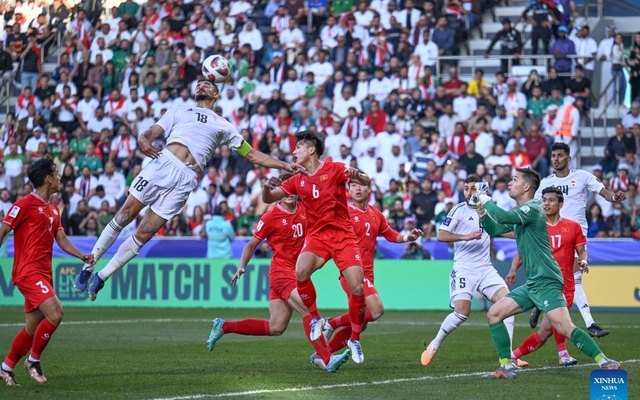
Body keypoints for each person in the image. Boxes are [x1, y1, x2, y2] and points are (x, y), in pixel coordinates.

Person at [74, 80, 304, 300]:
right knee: (124, 215)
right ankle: (89, 265)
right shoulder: (179, 110)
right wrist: (142, 139)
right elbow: (151, 133)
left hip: (186, 179)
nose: (201, 85)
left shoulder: (223, 125)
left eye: (208, 84)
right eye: (199, 84)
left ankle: (102, 276)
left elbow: (251, 154)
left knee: (144, 233)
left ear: (216, 94)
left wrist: (284, 164)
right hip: (162, 164)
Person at [468, 168, 621, 379]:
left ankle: (605, 362)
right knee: (494, 314)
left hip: (547, 281)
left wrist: (484, 198)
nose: (509, 184)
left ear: (527, 186)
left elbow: (502, 215)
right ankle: (506, 367)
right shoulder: (523, 212)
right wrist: (480, 210)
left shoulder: (532, 207)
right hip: (533, 282)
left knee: (565, 327)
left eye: (514, 180)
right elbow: (495, 229)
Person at [207, 183, 351, 372]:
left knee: (276, 327)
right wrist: (242, 266)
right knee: (308, 311)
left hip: (296, 273)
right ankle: (326, 358)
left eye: (292, 191)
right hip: (281, 273)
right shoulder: (270, 217)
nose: (290, 194)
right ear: (279, 196)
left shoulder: (305, 209)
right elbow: (251, 245)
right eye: (285, 191)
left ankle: (224, 326)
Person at [262, 131, 368, 364]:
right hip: (318, 236)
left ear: (311, 150)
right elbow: (270, 199)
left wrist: (357, 175)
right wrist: (266, 187)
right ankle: (316, 319)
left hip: (343, 235)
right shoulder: (296, 179)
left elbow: (366, 181)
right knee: (301, 271)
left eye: (298, 147)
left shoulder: (336, 168)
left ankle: (355, 339)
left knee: (357, 288)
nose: (293, 152)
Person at [0, 158, 94, 386]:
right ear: (48, 179)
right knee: (56, 313)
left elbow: (60, 239)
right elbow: (3, 231)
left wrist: (80, 255)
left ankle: (6, 368)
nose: (61, 178)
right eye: (57, 174)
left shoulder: (53, 209)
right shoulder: (23, 204)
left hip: (44, 273)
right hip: (27, 271)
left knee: (32, 327)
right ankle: (33, 360)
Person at [317, 174, 423, 366]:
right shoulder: (344, 213)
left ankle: (324, 353)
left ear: (369, 190)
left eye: (361, 185)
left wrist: (408, 237)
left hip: (368, 274)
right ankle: (332, 323)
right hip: (351, 272)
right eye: (353, 186)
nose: (357, 189)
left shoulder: (376, 214)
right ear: (349, 191)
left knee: (361, 323)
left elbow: (390, 235)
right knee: (376, 311)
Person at [421, 175, 526, 368]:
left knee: (508, 306)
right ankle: (435, 344)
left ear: (480, 190)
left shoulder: (488, 210)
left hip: (485, 268)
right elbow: (441, 235)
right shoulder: (459, 210)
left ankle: (509, 355)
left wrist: (524, 234)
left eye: (473, 188)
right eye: (466, 188)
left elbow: (502, 231)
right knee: (462, 313)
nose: (469, 192)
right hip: (464, 269)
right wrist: (466, 236)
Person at [528, 142, 626, 337]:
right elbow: (533, 206)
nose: (555, 158)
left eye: (559, 155)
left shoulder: (582, 177)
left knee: (575, 278)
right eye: (553, 155)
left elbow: (604, 193)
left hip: (575, 235)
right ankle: (548, 307)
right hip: (552, 235)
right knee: (562, 278)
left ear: (568, 158)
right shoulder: (546, 182)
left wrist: (615, 198)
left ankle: (587, 323)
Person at [507, 186, 588, 367]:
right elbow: (522, 250)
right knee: (556, 325)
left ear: (561, 204)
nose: (546, 203)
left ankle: (513, 356)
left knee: (546, 331)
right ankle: (564, 354)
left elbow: (582, 252)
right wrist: (513, 269)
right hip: (543, 282)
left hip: (565, 283)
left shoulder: (573, 227)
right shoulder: (536, 225)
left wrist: (583, 261)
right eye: (544, 200)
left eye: (551, 200)